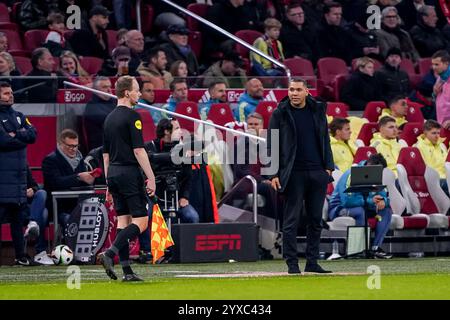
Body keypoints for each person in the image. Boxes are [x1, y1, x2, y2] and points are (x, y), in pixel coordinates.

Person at [268, 78, 333, 274]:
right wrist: (273, 173)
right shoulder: (280, 113)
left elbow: (325, 139)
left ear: (306, 91)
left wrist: (328, 166)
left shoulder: (318, 109)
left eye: (298, 90)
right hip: (293, 173)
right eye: (291, 89)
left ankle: (312, 262)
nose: (294, 93)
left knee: (315, 220)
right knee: (291, 221)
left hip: (317, 172)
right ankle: (292, 265)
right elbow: (271, 144)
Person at [99, 75, 156, 282]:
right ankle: (109, 254)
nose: (139, 93)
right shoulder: (133, 117)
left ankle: (127, 272)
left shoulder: (109, 118)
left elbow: (105, 155)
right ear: (127, 93)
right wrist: (151, 178)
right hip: (129, 173)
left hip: (113, 173)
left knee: (124, 221)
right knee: (141, 222)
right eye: (137, 90)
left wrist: (108, 183)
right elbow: (139, 151)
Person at [328, 153, 393, 259]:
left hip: (363, 206)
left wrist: (383, 201)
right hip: (339, 208)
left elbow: (384, 195)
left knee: (386, 210)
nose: (380, 173)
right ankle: (359, 249)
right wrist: (371, 200)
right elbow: (347, 201)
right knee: (360, 211)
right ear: (370, 165)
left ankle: (375, 248)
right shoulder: (351, 174)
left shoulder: (376, 174)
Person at [0, 82, 37, 265]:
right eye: (6, 93)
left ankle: (21, 256)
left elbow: (33, 135)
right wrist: (20, 137)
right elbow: (3, 141)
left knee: (17, 220)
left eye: (11, 92)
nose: (10, 96)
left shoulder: (20, 116)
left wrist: (16, 135)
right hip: (2, 178)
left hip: (17, 178)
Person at [42, 129, 95, 228]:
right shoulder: (50, 160)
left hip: (79, 205)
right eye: (69, 146)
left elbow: (83, 183)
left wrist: (89, 180)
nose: (73, 149)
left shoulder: (80, 160)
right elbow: (56, 183)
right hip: (59, 207)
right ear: (60, 144)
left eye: (75, 146)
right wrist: (78, 177)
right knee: (71, 221)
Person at [414, 120, 448, 193]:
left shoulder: (442, 145)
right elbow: (422, 169)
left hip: (446, 177)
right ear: (425, 133)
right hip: (432, 179)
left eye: (438, 133)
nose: (437, 136)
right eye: (433, 133)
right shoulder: (418, 147)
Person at [82, 77, 114, 151]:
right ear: (95, 90)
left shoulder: (113, 102)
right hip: (101, 149)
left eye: (110, 86)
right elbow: (111, 121)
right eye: (105, 87)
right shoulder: (92, 106)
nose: (109, 90)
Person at [431, 50, 450, 128]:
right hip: (443, 124)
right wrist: (434, 94)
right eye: (433, 64)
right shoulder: (439, 78)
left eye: (437, 64)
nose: (434, 67)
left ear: (446, 63)